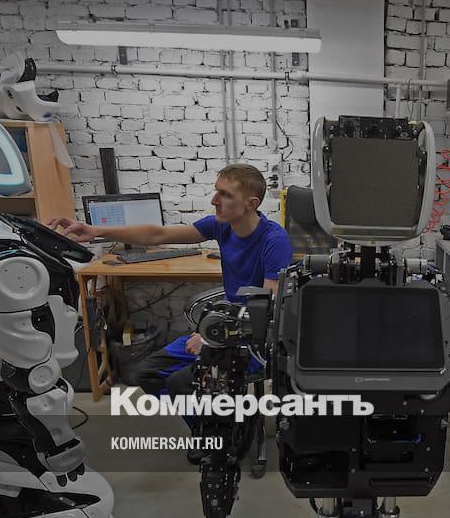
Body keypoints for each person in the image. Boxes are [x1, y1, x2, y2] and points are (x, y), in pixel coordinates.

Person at [49, 163, 293, 402]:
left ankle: (215, 417)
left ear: (251, 204)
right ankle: (206, 416)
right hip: (221, 325)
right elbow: (159, 234)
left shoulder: (274, 241)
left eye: (225, 194)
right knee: (145, 374)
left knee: (179, 383)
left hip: (252, 339)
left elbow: (264, 311)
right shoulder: (221, 226)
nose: (214, 200)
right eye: (216, 191)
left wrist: (209, 338)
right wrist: (96, 231)